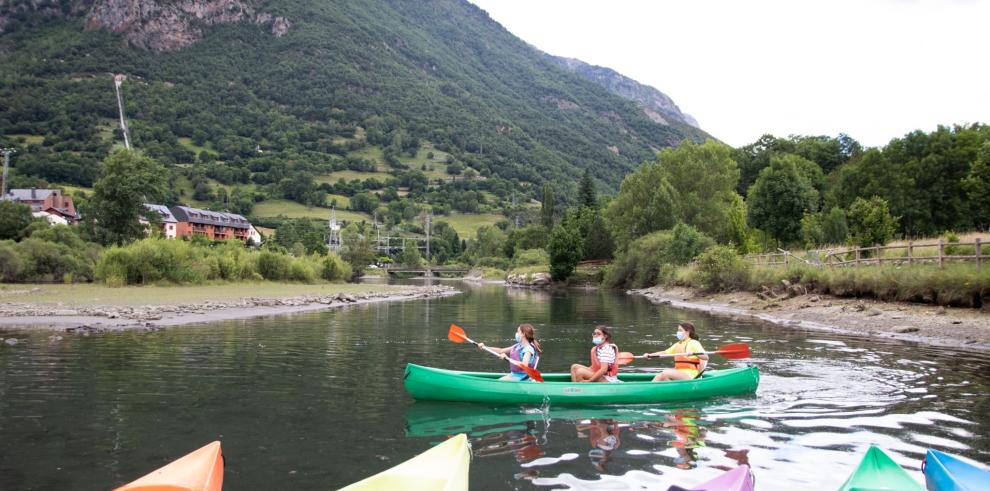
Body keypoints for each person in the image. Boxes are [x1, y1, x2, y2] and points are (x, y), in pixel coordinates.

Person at [643, 321, 708, 382]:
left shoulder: (694, 343)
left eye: (680, 330)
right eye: (678, 330)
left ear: (687, 332)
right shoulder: (678, 344)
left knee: (665, 373)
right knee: (659, 376)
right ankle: (648, 390)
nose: (678, 332)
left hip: (690, 374)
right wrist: (650, 355)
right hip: (679, 372)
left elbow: (706, 357)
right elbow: (664, 353)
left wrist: (695, 354)